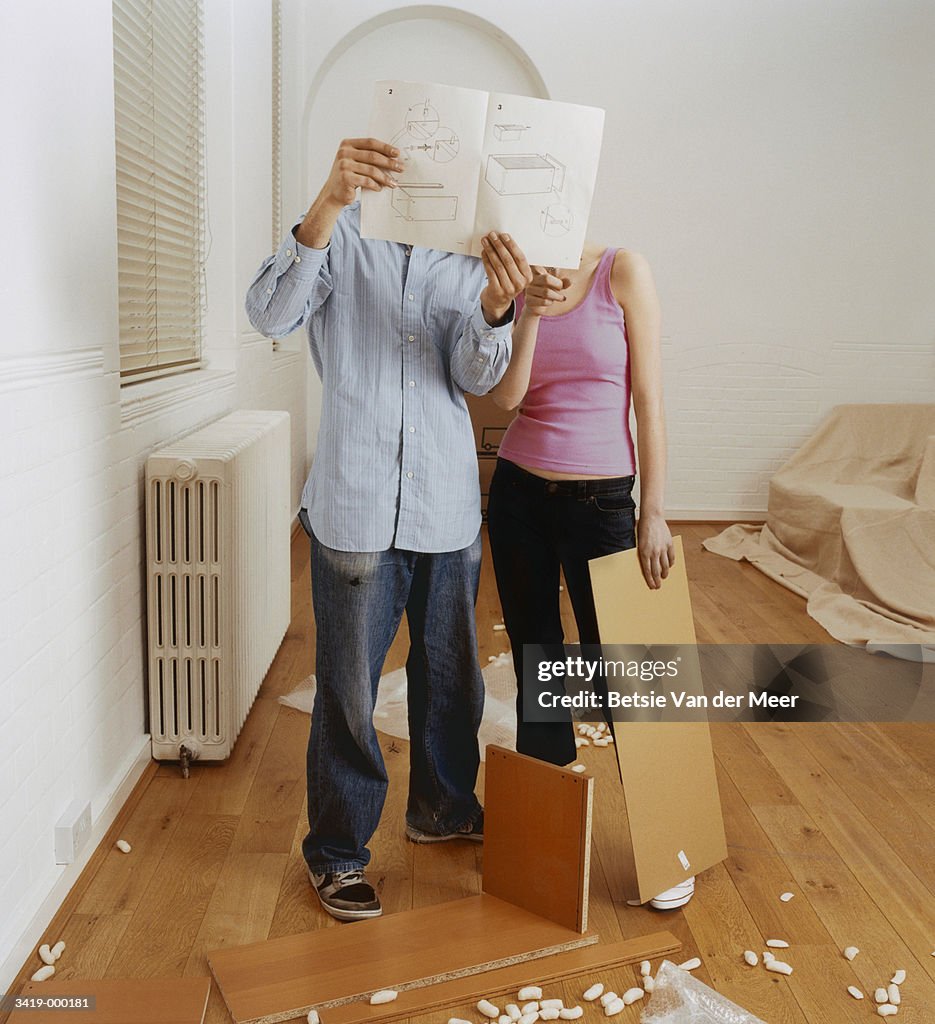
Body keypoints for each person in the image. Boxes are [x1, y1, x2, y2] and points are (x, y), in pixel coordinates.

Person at [246, 137, 532, 921]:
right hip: (355, 500)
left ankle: (441, 810)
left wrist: (497, 308)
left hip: (444, 503)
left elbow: (476, 379)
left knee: (454, 680)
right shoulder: (340, 232)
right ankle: (337, 854)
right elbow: (268, 313)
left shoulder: (474, 257)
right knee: (347, 689)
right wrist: (326, 202)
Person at [485, 242, 694, 910]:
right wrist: (528, 316)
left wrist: (652, 513)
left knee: (629, 672)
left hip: (602, 500)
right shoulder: (510, 278)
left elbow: (648, 399)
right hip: (517, 496)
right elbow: (505, 400)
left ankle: (670, 845)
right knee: (537, 662)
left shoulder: (620, 269)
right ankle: (546, 839)